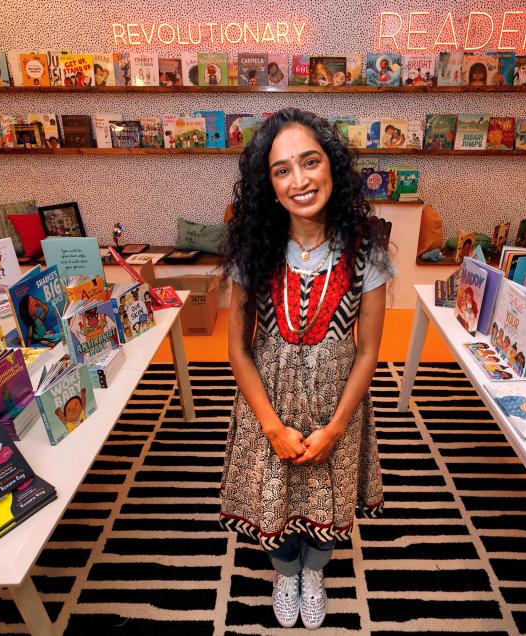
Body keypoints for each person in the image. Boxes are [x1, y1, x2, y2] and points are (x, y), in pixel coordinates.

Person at [220, 107, 394, 629]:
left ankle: (313, 573)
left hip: (336, 406)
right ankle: (285, 571)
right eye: (281, 170)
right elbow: (237, 349)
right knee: (272, 497)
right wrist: (270, 426)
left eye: (310, 162)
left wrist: (338, 426)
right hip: (267, 404)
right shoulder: (254, 252)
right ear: (268, 185)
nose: (299, 180)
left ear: (332, 168)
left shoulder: (369, 252)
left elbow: (367, 351)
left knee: (328, 499)